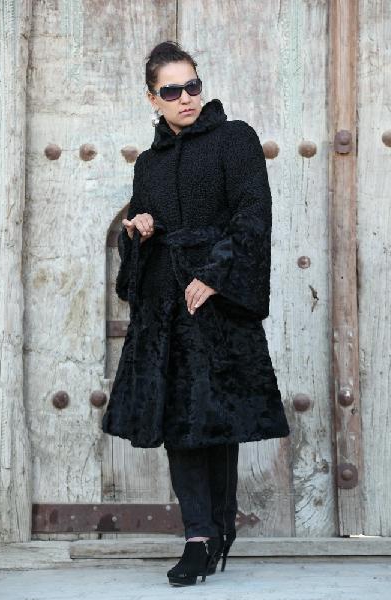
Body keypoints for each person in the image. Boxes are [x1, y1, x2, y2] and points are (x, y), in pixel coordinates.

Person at [102, 40, 291, 586]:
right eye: (171, 91)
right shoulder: (149, 164)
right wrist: (137, 233)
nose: (185, 97)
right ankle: (199, 537)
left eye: (192, 86)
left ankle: (220, 528)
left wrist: (215, 274)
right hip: (165, 307)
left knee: (216, 421)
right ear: (151, 98)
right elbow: (138, 244)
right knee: (179, 426)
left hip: (217, 302)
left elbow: (253, 213)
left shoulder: (236, 139)